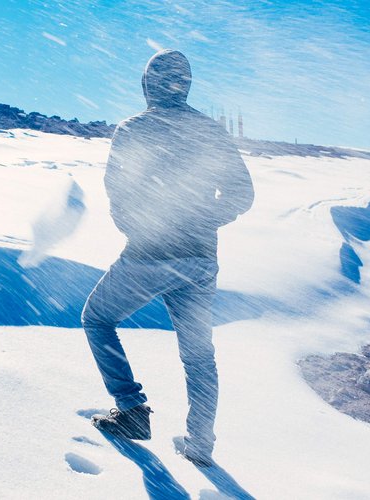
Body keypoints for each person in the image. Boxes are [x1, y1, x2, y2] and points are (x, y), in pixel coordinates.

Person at [83, 49, 254, 467]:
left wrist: (147, 229)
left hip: (151, 255)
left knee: (97, 319)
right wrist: (199, 221)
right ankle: (200, 446)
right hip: (200, 259)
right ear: (186, 85)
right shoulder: (210, 130)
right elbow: (241, 195)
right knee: (199, 355)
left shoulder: (134, 129)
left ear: (147, 85)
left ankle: (131, 409)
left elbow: (118, 194)